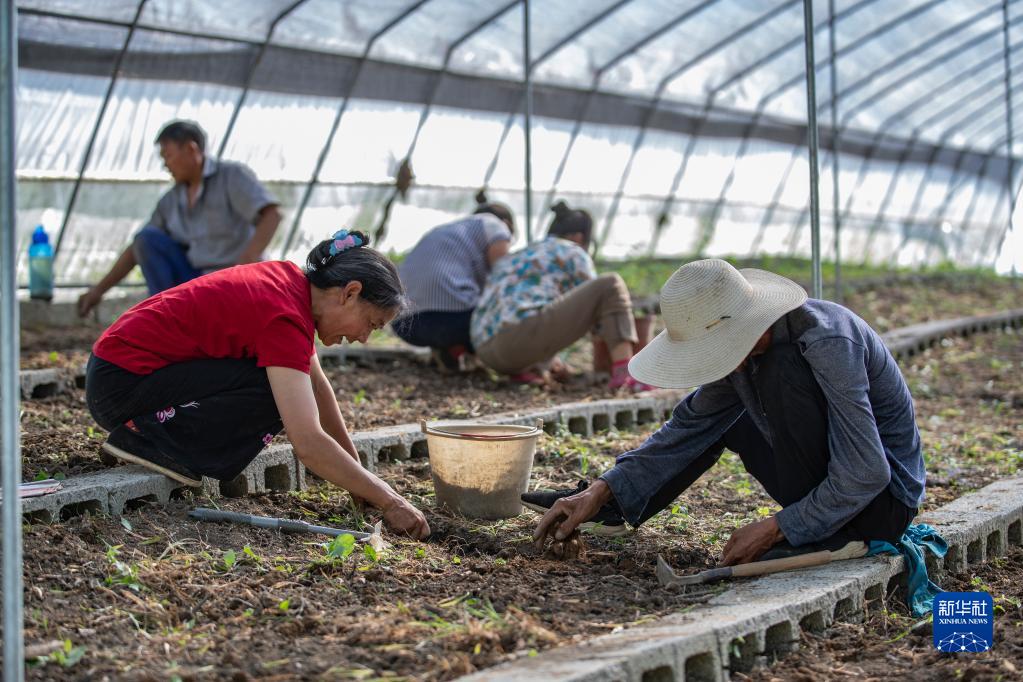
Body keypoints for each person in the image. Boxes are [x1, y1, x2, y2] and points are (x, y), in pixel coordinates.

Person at [529, 259, 925, 562]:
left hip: (879, 506)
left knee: (780, 372)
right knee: (719, 419)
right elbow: (690, 424)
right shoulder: (750, 354)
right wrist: (601, 489)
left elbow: (867, 472)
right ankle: (615, 506)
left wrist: (776, 528)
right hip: (828, 486)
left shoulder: (825, 343)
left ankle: (829, 533)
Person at [85, 230, 430, 539]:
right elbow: (307, 442)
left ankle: (149, 433)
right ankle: (148, 440)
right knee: (276, 394)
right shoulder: (284, 315)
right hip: (123, 383)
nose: (364, 338)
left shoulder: (290, 286)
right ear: (350, 293)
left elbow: (319, 387)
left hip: (115, 373)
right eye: (370, 323)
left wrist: (363, 484)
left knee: (290, 386)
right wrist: (389, 498)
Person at [77, 120, 282, 316]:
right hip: (198, 280)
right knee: (146, 240)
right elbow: (136, 249)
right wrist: (98, 291)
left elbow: (272, 214)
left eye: (168, 155)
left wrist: (246, 262)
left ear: (191, 150)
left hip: (238, 281)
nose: (166, 165)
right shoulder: (171, 200)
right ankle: (169, 319)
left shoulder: (231, 176)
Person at [470, 201, 649, 390]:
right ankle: (627, 374)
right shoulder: (573, 251)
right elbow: (600, 310)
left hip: (485, 349)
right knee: (610, 285)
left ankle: (528, 370)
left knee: (531, 311)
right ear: (579, 238)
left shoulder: (522, 253)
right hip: (518, 338)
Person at [392, 193, 514, 370]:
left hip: (406, 325)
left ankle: (449, 349)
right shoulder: (495, 225)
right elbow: (504, 279)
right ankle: (463, 348)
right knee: (503, 315)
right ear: (508, 224)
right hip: (455, 320)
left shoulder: (446, 231)